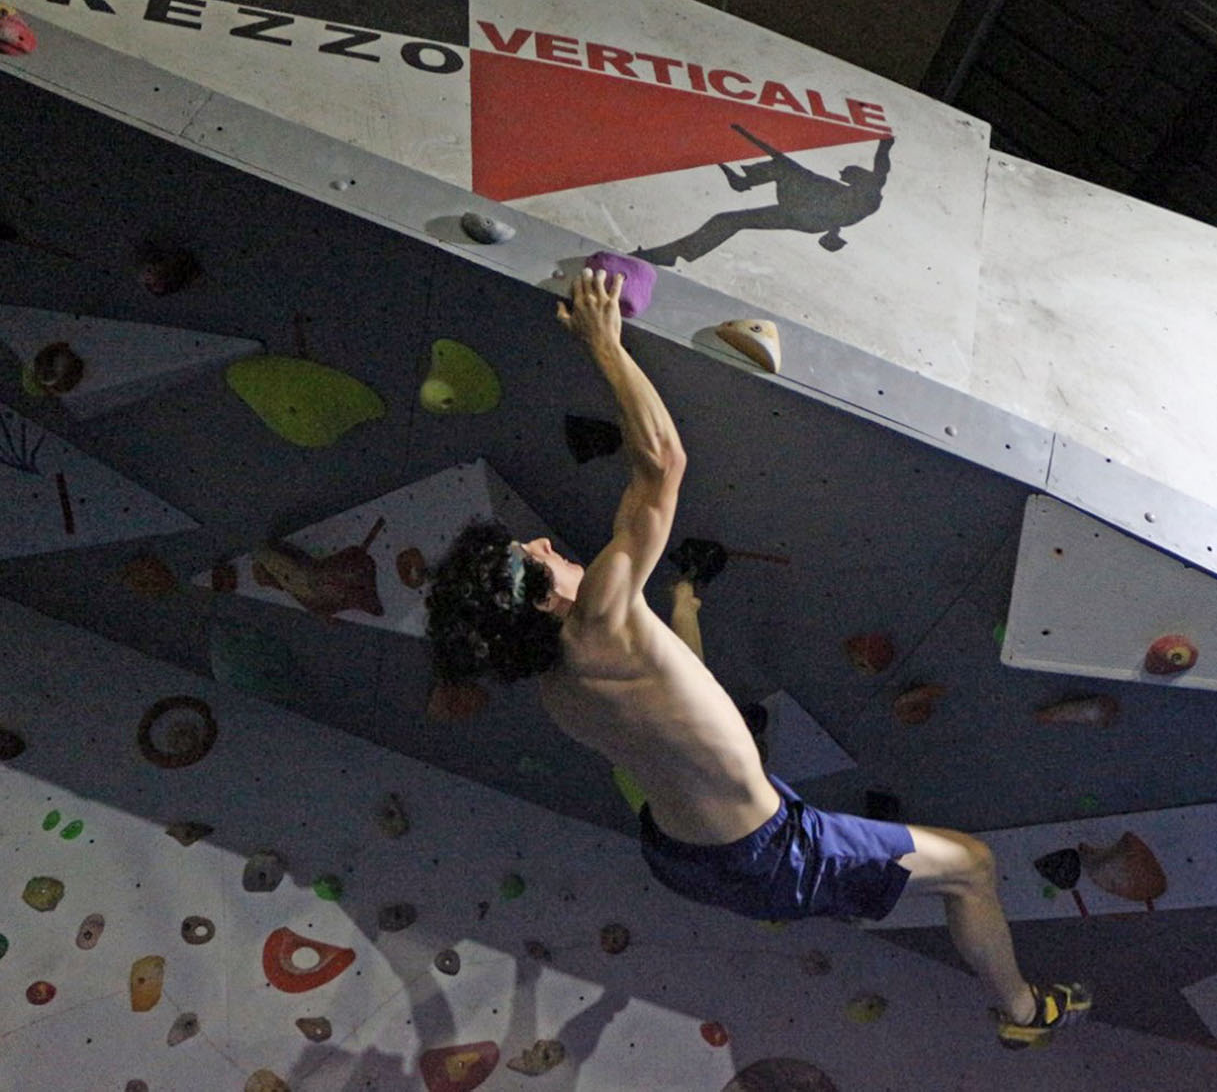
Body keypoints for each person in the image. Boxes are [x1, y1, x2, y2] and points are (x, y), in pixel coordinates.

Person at [425, 268, 1088, 1048]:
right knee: (972, 865)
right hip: (770, 852)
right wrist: (604, 343)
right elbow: (662, 462)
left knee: (737, 751)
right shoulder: (601, 613)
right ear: (540, 597)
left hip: (681, 852)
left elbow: (673, 708)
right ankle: (1022, 1013)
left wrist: (679, 610)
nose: (542, 542)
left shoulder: (558, 687)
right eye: (530, 552)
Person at [633, 127, 894, 266]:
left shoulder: (870, 191)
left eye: (847, 174)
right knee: (728, 219)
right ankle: (671, 254)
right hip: (807, 211)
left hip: (808, 215)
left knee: (789, 169)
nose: (842, 175)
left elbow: (881, 164)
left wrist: (885, 143)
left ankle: (746, 181)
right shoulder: (853, 192)